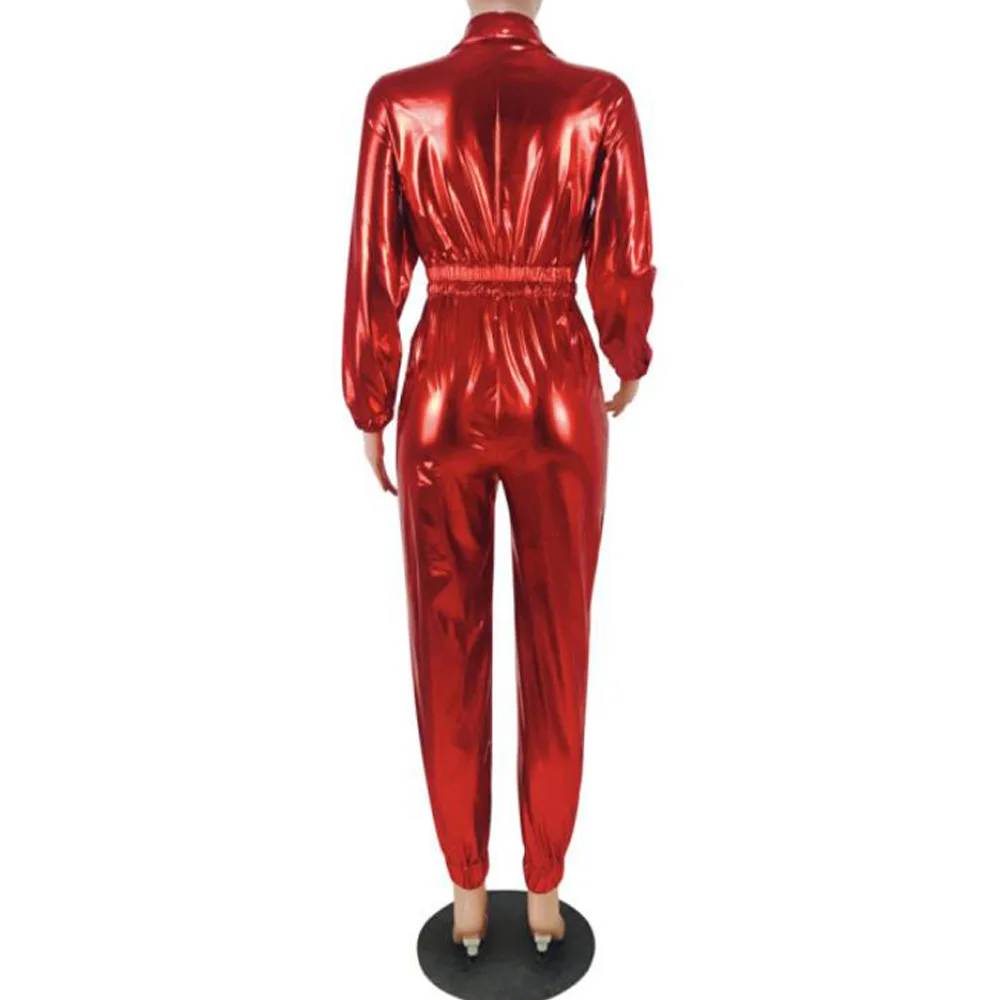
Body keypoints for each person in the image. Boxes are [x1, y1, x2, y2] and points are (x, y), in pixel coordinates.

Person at [341, 0, 655, 957]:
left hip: (443, 380)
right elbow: (625, 255)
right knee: (560, 639)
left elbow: (374, 265)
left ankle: (468, 897)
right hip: (557, 381)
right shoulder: (598, 99)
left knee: (447, 640)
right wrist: (627, 353)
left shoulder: (399, 101)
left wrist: (371, 397)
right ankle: (546, 893)